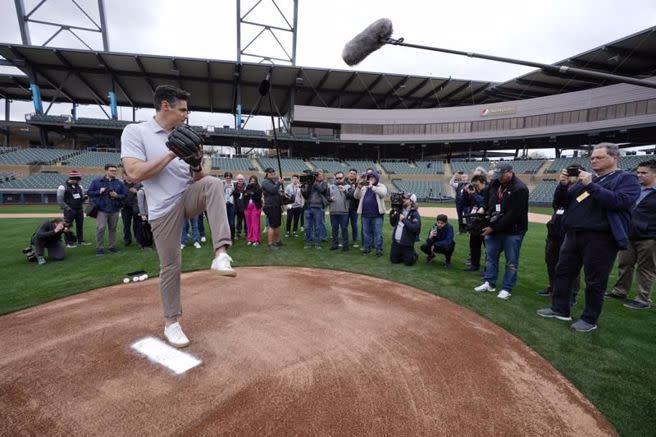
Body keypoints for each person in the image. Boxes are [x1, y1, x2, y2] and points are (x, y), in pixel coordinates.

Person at [121, 84, 235, 348]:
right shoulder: (136, 131)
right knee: (171, 266)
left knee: (213, 184)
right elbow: (135, 173)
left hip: (186, 195)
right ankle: (172, 322)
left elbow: (198, 179)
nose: (186, 115)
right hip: (162, 209)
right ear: (165, 106)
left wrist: (196, 163)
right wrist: (172, 152)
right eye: (182, 109)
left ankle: (220, 254)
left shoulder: (184, 133)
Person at [537, 143, 641, 332]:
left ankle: (589, 319)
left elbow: (619, 202)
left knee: (595, 280)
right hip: (574, 234)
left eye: (599, 157)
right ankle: (560, 309)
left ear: (614, 158)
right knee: (563, 272)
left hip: (601, 237)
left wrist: (591, 185)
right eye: (592, 157)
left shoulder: (626, 178)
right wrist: (563, 185)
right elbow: (562, 202)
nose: (593, 160)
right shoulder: (590, 180)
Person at [474, 162, 529, 300]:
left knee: (511, 260)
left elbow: (512, 215)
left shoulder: (520, 188)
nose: (499, 178)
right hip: (495, 228)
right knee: (491, 257)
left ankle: (507, 288)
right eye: (497, 175)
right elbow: (486, 199)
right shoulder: (494, 183)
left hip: (513, 230)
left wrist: (492, 228)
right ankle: (489, 282)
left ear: (510, 172)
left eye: (502, 175)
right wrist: (482, 207)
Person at [606, 159, 656, 310]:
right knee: (624, 264)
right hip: (628, 234)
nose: (639, 175)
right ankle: (620, 291)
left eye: (643, 173)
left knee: (646, 268)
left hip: (649, 237)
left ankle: (643, 299)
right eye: (638, 172)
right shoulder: (635, 189)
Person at [536, 165, 583, 301]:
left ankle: (572, 294)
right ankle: (553, 287)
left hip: (570, 232)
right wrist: (563, 185)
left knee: (571, 265)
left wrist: (573, 185)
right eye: (567, 173)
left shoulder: (584, 187)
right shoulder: (563, 186)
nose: (569, 176)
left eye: (573, 173)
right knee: (551, 261)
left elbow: (574, 203)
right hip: (555, 230)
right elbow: (557, 203)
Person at [87, 164, 127, 255]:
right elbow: (89, 192)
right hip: (102, 209)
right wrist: (98, 191)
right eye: (111, 170)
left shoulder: (119, 183)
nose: (114, 172)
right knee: (100, 228)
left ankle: (112, 247)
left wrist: (117, 195)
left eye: (115, 171)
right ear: (106, 171)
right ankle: (99, 248)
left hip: (114, 209)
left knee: (113, 229)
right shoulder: (97, 181)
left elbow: (125, 195)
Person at [354, 170, 388, 256]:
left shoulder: (381, 186)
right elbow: (356, 196)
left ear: (376, 178)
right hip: (365, 214)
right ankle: (367, 248)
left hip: (377, 215)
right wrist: (358, 187)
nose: (370, 179)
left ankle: (378, 249)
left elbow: (383, 194)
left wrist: (372, 187)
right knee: (366, 233)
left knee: (377, 233)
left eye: (372, 177)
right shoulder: (364, 187)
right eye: (369, 177)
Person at [56, 170, 88, 247]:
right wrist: (68, 208)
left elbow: (81, 197)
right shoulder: (62, 187)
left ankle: (80, 240)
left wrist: (85, 198)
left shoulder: (79, 186)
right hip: (69, 210)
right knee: (67, 226)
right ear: (73, 179)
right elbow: (60, 200)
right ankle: (68, 242)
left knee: (80, 225)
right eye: (77, 180)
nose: (78, 182)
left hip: (79, 209)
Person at [462, 174, 487, 272]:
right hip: (475, 223)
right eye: (474, 185)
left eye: (477, 185)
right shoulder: (474, 192)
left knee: (487, 248)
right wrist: (465, 192)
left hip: (485, 223)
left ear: (483, 182)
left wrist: (473, 194)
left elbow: (483, 202)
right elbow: (465, 203)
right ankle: (474, 265)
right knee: (474, 245)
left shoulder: (488, 191)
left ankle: (487, 269)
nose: (475, 187)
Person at [390, 193, 421, 265]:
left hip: (407, 243)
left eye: (406, 199)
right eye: (403, 198)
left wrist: (404, 220)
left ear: (411, 201)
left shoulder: (414, 213)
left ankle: (413, 254)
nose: (403, 200)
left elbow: (415, 228)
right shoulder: (398, 210)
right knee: (394, 260)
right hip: (396, 243)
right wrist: (392, 215)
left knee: (408, 263)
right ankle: (402, 254)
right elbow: (393, 223)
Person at [301, 169, 329, 249]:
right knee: (307, 226)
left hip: (318, 207)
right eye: (316, 174)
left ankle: (317, 243)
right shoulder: (309, 183)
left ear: (323, 175)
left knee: (318, 226)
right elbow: (306, 195)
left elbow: (322, 190)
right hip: (308, 207)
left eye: (319, 174)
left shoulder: (324, 183)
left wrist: (314, 182)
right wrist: (302, 188)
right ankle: (308, 242)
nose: (318, 175)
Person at [261, 167, 284, 250]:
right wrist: (279, 183)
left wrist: (280, 193)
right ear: (267, 174)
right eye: (271, 173)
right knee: (272, 225)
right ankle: (270, 245)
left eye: (273, 173)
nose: (272, 174)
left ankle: (277, 241)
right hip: (271, 206)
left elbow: (275, 192)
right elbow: (273, 190)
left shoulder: (272, 182)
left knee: (277, 224)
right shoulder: (265, 182)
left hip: (276, 205)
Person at [328, 171, 351, 251]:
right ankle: (335, 244)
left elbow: (351, 196)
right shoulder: (331, 187)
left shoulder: (348, 186)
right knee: (334, 229)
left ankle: (346, 245)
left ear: (343, 178)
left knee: (344, 229)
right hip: (333, 211)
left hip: (344, 212)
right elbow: (326, 197)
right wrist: (330, 199)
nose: (338, 180)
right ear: (335, 178)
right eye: (337, 178)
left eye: (340, 178)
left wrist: (344, 190)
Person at [121, 175, 143, 247]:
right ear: (124, 176)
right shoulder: (121, 184)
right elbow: (118, 194)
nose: (129, 177)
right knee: (126, 224)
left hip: (136, 207)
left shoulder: (138, 184)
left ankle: (138, 239)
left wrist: (136, 191)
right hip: (125, 208)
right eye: (127, 175)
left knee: (137, 224)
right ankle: (127, 240)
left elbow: (143, 194)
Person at [244, 175, 263, 246]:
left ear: (256, 182)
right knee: (249, 224)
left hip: (256, 207)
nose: (252, 182)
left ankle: (256, 239)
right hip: (247, 207)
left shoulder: (259, 188)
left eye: (254, 181)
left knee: (255, 224)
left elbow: (258, 197)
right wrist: (247, 193)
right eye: (251, 181)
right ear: (249, 181)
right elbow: (244, 195)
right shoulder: (247, 187)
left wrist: (252, 193)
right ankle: (250, 239)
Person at [345, 168, 360, 248]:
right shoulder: (344, 182)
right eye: (351, 173)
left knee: (354, 225)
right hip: (346, 207)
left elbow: (357, 195)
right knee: (345, 225)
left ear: (356, 175)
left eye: (354, 174)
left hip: (354, 208)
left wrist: (357, 183)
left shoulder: (358, 184)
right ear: (348, 174)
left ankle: (355, 240)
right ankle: (345, 240)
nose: (352, 175)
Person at [233, 174, 247, 240]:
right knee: (238, 221)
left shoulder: (246, 186)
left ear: (243, 180)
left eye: (241, 179)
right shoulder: (234, 187)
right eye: (239, 179)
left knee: (246, 221)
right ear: (237, 180)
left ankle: (247, 233)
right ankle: (238, 234)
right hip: (238, 207)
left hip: (245, 206)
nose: (240, 180)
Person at [223, 172, 236, 240]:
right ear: (225, 177)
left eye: (229, 176)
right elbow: (219, 193)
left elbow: (236, 194)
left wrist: (233, 190)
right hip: (224, 204)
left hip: (231, 204)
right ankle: (226, 237)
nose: (228, 177)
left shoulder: (234, 184)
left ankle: (232, 237)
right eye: (227, 176)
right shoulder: (222, 183)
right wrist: (224, 187)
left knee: (232, 223)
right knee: (225, 222)